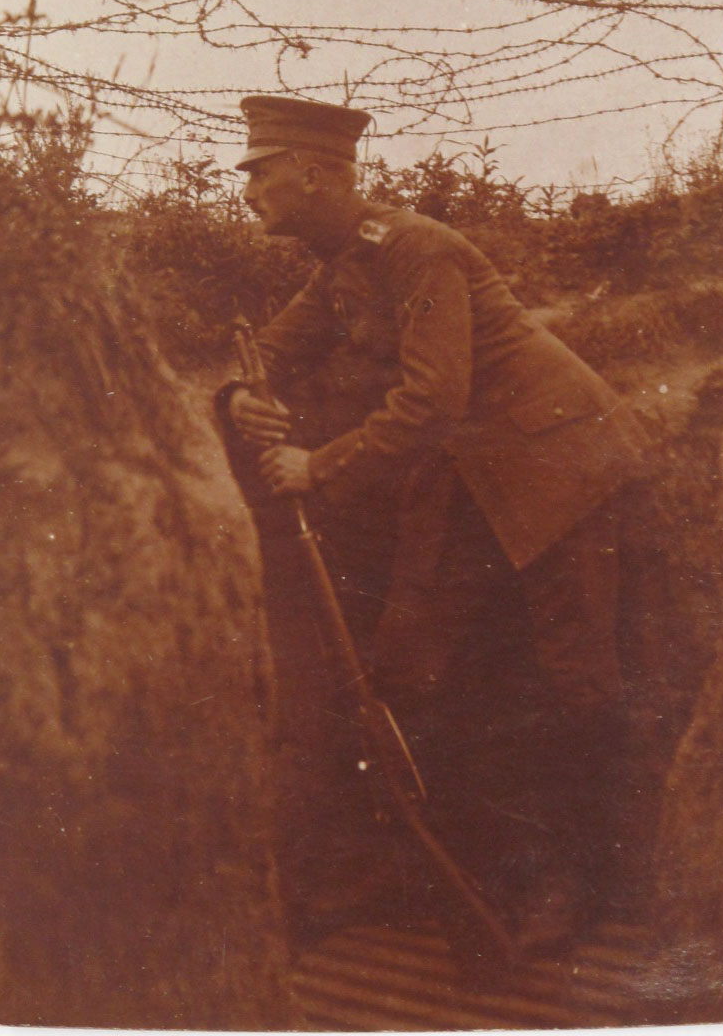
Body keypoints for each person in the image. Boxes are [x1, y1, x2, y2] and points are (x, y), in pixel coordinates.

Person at [217, 95, 649, 957]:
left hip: (559, 470)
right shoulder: (343, 262)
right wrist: (242, 400)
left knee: (570, 676)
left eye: (261, 172)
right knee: (421, 663)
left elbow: (432, 401)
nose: (251, 190)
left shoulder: (416, 251)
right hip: (476, 480)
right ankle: (444, 877)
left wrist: (318, 464)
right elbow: (266, 351)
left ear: (314, 172)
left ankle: (587, 890)